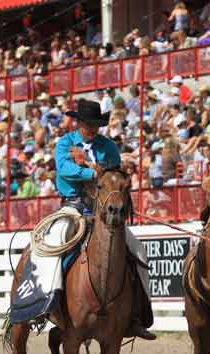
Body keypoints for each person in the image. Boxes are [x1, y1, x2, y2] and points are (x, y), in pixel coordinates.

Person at [50, 98, 156, 340]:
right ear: (78, 123)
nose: (92, 129)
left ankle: (138, 315)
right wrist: (93, 170)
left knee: (137, 251)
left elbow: (115, 173)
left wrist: (90, 164)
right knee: (54, 245)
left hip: (103, 210)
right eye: (88, 124)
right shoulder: (64, 144)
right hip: (73, 206)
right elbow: (65, 170)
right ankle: (48, 303)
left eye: (96, 124)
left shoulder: (107, 146)